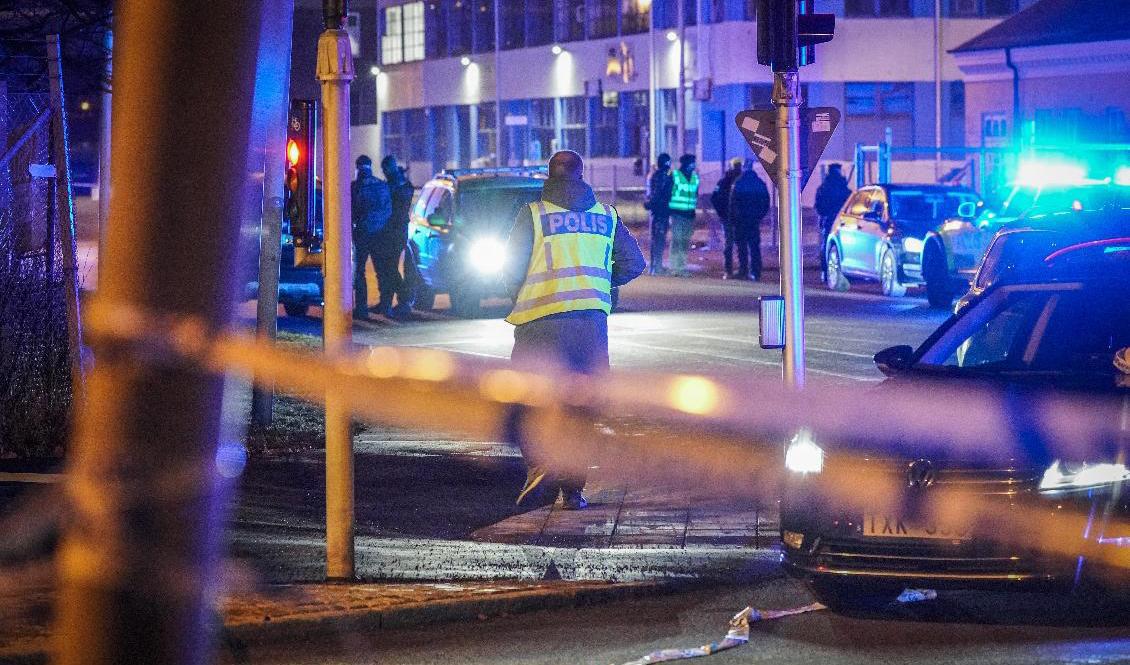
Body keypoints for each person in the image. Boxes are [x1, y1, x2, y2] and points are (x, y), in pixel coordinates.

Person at [502, 150, 645, 510]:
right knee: (582, 411)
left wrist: (515, 292)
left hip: (540, 325)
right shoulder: (606, 216)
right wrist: (601, 282)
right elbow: (635, 263)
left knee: (527, 400)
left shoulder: (533, 215)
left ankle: (541, 463)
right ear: (582, 175)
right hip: (590, 330)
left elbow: (510, 271)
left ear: (549, 176)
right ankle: (573, 491)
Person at [372, 154, 415, 317]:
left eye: (385, 169)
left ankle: (404, 300)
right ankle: (387, 303)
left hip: (393, 232)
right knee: (387, 268)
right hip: (396, 231)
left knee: (389, 268)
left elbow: (391, 206)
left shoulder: (395, 185)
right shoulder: (403, 183)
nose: (383, 172)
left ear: (390, 168)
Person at [351, 154, 392, 319]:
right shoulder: (381, 185)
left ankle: (361, 309)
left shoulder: (356, 186)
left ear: (358, 167)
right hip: (381, 234)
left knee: (359, 271)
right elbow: (389, 209)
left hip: (362, 233)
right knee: (381, 270)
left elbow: (352, 210)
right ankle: (386, 305)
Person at [728, 159, 771, 281]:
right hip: (753, 220)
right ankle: (756, 271)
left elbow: (733, 202)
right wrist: (759, 216)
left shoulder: (739, 182)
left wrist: (733, 218)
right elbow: (766, 202)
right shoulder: (759, 183)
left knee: (741, 247)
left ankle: (743, 270)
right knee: (754, 246)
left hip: (741, 220)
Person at [814, 163, 851, 280]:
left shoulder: (824, 188)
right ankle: (841, 271)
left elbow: (819, 206)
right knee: (843, 245)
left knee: (826, 246)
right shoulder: (844, 188)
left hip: (829, 220)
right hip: (842, 221)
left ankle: (826, 271)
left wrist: (824, 215)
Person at [711, 157, 743, 279]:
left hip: (730, 217)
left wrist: (721, 212)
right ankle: (740, 270)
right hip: (735, 218)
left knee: (731, 244)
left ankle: (730, 271)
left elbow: (714, 197)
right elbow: (715, 198)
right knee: (739, 244)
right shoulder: (737, 181)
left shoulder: (724, 181)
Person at [668, 154, 700, 276]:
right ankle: (674, 267)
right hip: (677, 214)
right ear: (686, 163)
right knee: (677, 240)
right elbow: (668, 193)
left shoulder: (695, 177)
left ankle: (681, 267)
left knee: (685, 241)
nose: (694, 165)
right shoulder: (674, 175)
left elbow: (695, 195)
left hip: (689, 215)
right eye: (692, 163)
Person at [644, 153, 674, 274]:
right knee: (659, 239)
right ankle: (657, 266)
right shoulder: (665, 175)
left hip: (657, 211)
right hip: (662, 211)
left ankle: (654, 266)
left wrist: (649, 204)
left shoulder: (656, 175)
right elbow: (658, 193)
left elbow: (652, 193)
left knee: (656, 238)